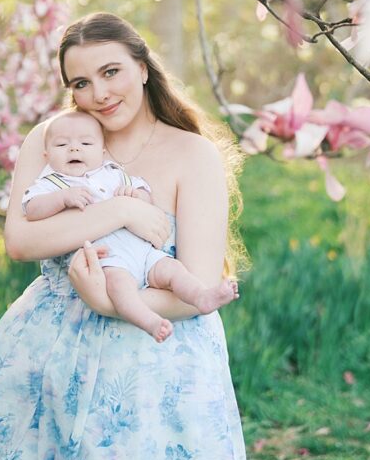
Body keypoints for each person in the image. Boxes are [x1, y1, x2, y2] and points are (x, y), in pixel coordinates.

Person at [0, 12, 247, 460]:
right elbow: (20, 241)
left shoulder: (192, 154)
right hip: (51, 341)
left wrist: (109, 303)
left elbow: (198, 289)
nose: (100, 94)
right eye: (81, 83)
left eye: (111, 72)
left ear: (143, 68)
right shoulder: (54, 140)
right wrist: (119, 210)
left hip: (155, 359)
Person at [23, 108, 239, 341]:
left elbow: (146, 198)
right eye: (62, 145)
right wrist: (61, 198)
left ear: (102, 151)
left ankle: (201, 296)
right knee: (120, 289)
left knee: (173, 271)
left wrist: (137, 197)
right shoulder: (51, 183)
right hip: (110, 260)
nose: (74, 149)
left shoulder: (113, 172)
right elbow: (32, 208)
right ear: (46, 154)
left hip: (143, 252)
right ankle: (150, 321)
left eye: (86, 143)